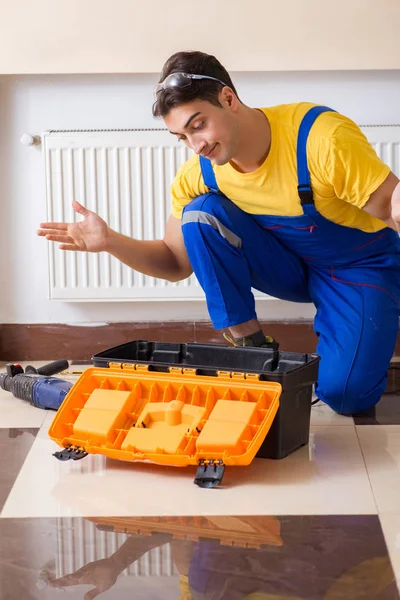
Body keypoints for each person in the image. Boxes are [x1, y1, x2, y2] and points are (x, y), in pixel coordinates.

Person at [37, 50, 400, 416]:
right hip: (288, 266)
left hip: (359, 266)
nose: (196, 146)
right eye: (182, 137)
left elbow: (391, 209)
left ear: (229, 98)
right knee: (200, 214)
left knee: (346, 396)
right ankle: (254, 355)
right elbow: (177, 262)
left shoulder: (320, 139)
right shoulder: (201, 175)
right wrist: (111, 242)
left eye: (198, 125)